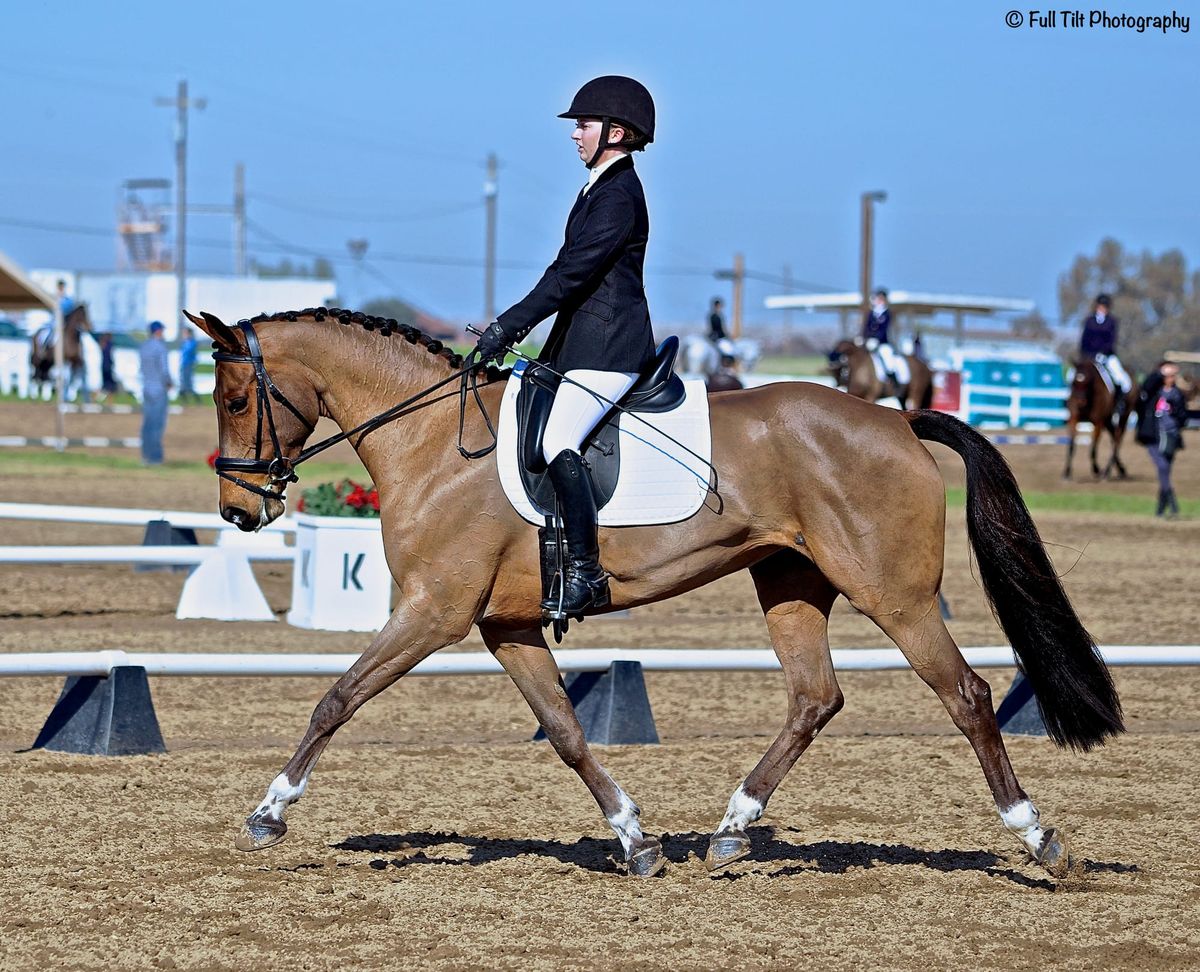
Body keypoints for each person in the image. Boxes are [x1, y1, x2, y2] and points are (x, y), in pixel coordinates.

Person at [471, 75, 657, 617]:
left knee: (558, 442)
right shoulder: (598, 187)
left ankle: (586, 573)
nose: (575, 134)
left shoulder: (619, 194)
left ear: (616, 133)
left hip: (610, 348)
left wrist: (508, 326)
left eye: (584, 125)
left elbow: (571, 275)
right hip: (580, 345)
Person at [1136, 361, 1188, 518]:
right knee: (1163, 467)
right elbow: (1146, 386)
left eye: (1173, 375)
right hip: (1153, 436)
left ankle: (1160, 510)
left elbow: (1183, 417)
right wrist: (1160, 372)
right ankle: (1173, 505)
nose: (1170, 378)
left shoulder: (1178, 394)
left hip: (1171, 436)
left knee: (1164, 472)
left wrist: (1175, 414)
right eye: (1167, 375)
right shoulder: (1153, 393)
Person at [1080, 294, 1131, 405]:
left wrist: (1103, 353)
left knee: (1122, 379)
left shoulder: (1112, 321)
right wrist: (1086, 355)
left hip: (1107, 356)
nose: (1102, 309)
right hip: (1089, 357)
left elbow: (1111, 340)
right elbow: (1084, 340)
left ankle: (1119, 403)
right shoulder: (1089, 321)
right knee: (1074, 376)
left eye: (1105, 306)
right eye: (1100, 306)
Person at [139, 321, 172, 465]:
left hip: (146, 389)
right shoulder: (160, 348)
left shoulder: (144, 347)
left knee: (147, 424)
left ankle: (145, 455)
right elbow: (164, 370)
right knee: (157, 425)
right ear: (158, 331)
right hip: (159, 390)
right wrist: (169, 382)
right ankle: (155, 457)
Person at [861, 288, 904, 383]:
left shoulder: (887, 314)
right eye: (878, 298)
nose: (879, 301)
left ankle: (893, 383)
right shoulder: (871, 313)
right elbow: (866, 327)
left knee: (888, 360)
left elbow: (884, 329)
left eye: (881, 299)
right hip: (869, 342)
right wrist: (864, 337)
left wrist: (877, 339)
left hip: (883, 343)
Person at [178, 327, 198, 402]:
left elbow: (189, 352)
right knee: (183, 381)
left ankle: (195, 399)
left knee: (188, 382)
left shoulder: (192, 342)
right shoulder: (185, 342)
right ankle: (184, 400)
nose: (184, 334)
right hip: (183, 364)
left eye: (185, 333)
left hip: (189, 364)